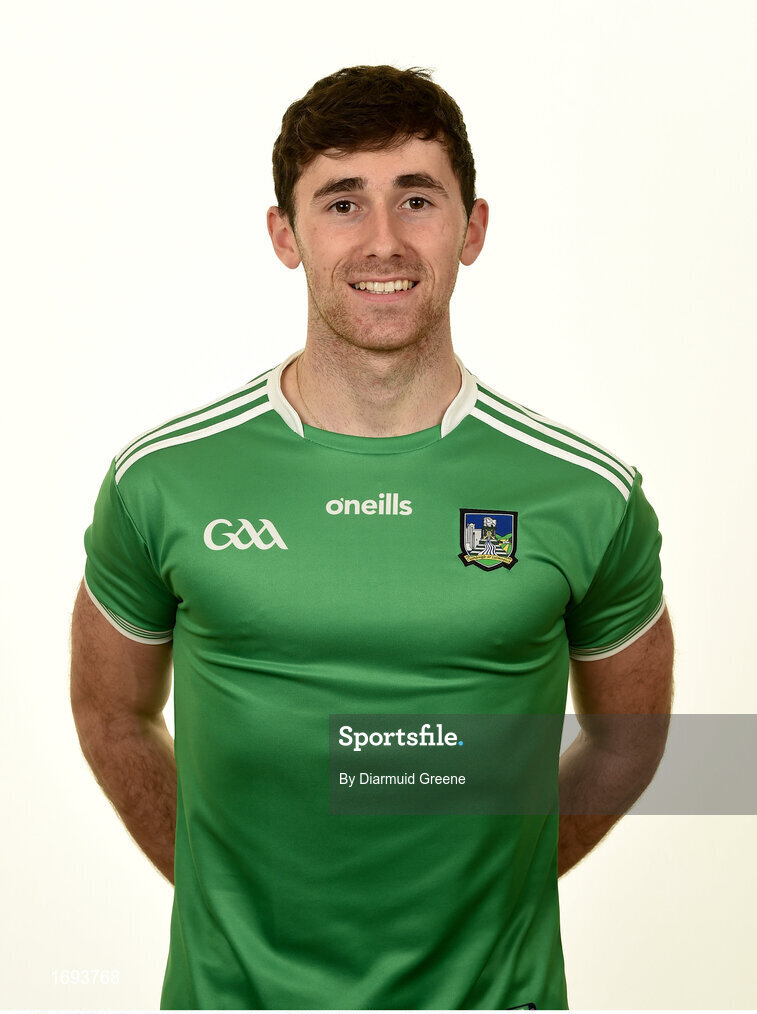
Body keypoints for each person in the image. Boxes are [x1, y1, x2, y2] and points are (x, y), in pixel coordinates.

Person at [70, 64, 675, 1010]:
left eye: (417, 199)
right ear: (285, 234)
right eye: (342, 202)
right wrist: (224, 901)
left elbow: (628, 738)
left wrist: (496, 889)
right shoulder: (162, 481)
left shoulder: (585, 494)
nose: (382, 240)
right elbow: (111, 716)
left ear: (471, 228)